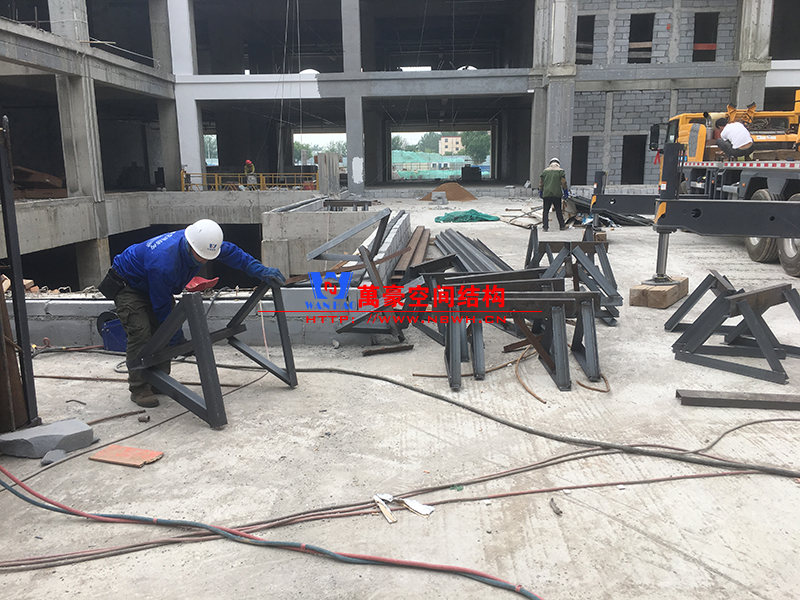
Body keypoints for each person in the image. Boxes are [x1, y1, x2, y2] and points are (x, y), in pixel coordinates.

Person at [99, 219, 285, 408]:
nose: (204, 260)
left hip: (152, 282)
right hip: (129, 286)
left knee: (162, 333)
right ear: (189, 245)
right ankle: (139, 388)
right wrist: (177, 339)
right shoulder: (163, 263)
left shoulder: (204, 242)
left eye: (207, 257)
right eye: (200, 256)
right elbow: (162, 306)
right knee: (142, 333)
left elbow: (234, 254)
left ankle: (158, 381)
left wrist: (260, 271)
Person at [539, 157, 569, 231]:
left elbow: (541, 183)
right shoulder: (560, 171)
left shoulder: (545, 171)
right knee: (558, 210)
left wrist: (541, 192)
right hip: (556, 194)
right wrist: (565, 192)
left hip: (547, 194)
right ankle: (562, 226)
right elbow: (563, 183)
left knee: (545, 211)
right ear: (558, 164)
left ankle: (545, 227)